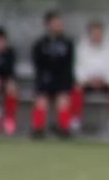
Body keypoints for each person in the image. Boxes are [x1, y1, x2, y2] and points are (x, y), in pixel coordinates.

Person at [30, 11, 76, 139]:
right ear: (48, 25)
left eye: (59, 23)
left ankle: (63, 129)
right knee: (41, 100)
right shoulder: (39, 44)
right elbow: (38, 66)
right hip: (45, 80)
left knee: (63, 100)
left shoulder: (68, 44)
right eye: (55, 23)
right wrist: (43, 81)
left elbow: (68, 65)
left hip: (62, 81)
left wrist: (66, 84)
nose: (59, 25)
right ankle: (39, 130)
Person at [74, 19, 109, 136]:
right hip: (88, 81)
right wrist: (88, 80)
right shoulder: (82, 47)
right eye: (94, 33)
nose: (97, 36)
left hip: (107, 81)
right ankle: (76, 121)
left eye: (99, 33)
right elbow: (78, 67)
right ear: (89, 34)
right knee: (76, 88)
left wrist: (107, 80)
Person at [0, 27, 17, 135]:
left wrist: (8, 80)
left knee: (12, 88)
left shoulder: (9, 53)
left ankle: (9, 118)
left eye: (2, 40)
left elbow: (10, 71)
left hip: (4, 81)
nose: (0, 43)